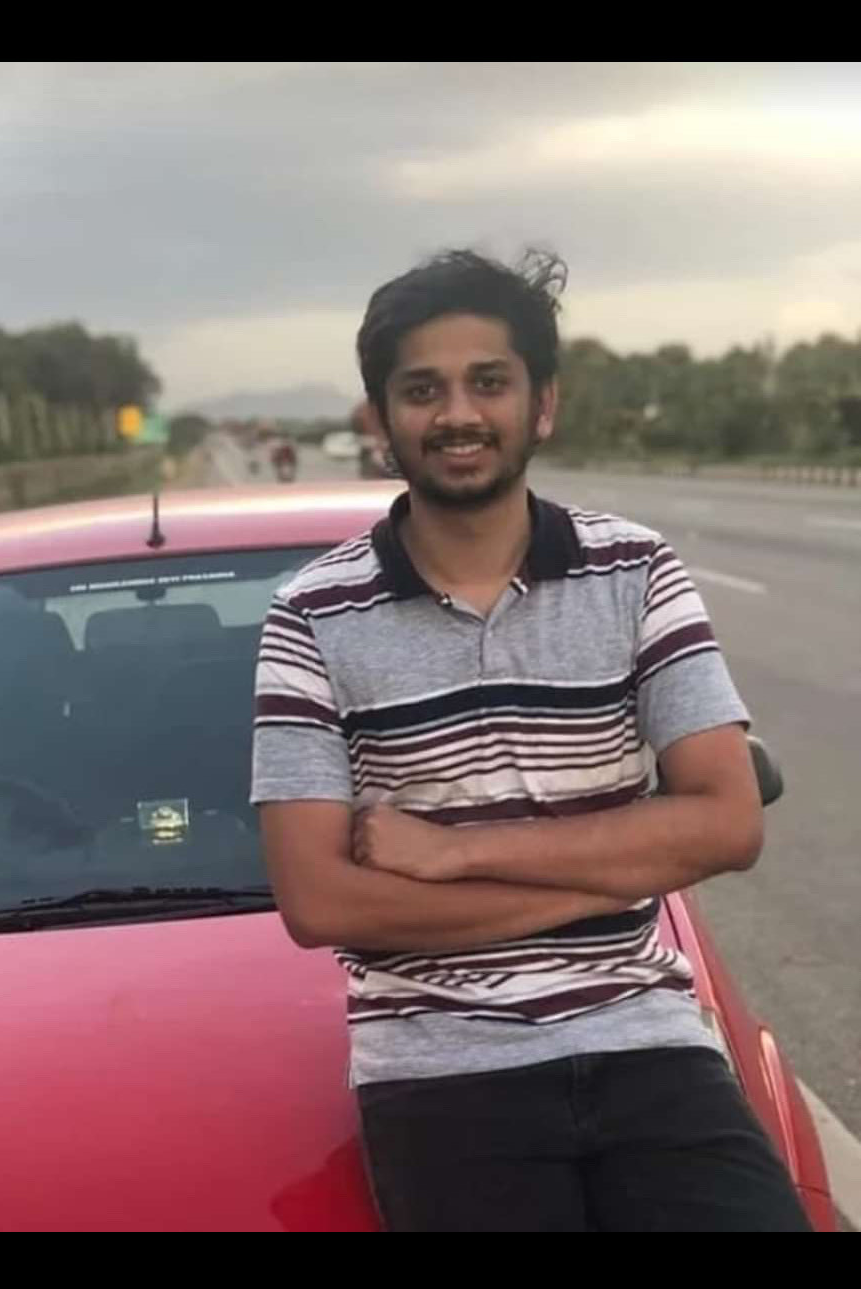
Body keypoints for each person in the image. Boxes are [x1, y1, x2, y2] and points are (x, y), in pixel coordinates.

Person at [250, 248, 812, 1232]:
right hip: (440, 1064)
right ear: (379, 419)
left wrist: (456, 852)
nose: (457, 413)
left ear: (541, 403)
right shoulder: (311, 616)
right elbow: (319, 899)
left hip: (647, 1038)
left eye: (488, 381)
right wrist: (611, 876)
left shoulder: (637, 571)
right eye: (422, 389)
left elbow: (728, 824)